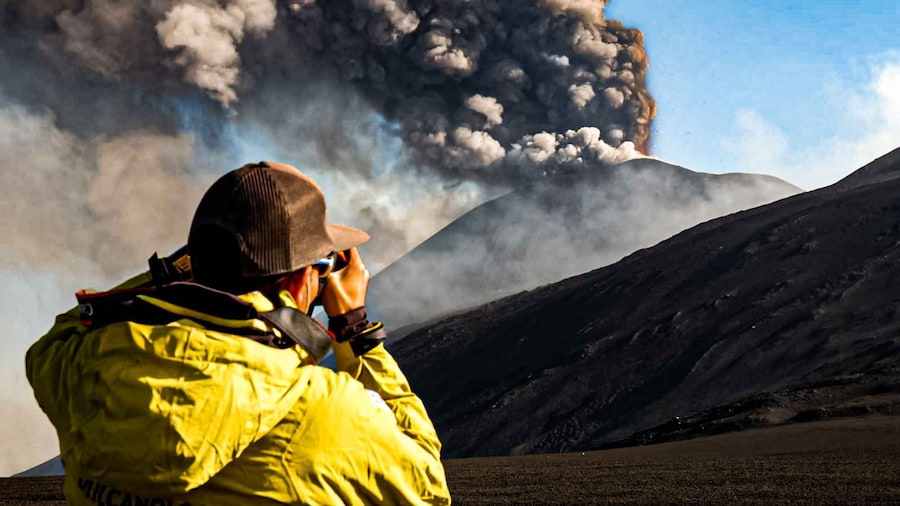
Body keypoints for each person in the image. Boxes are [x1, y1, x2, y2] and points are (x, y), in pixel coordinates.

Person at [26, 161, 451, 505]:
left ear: (196, 262)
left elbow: (70, 324)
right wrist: (355, 327)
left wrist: (177, 273)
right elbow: (427, 488)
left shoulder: (80, 364)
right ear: (303, 281)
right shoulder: (323, 410)